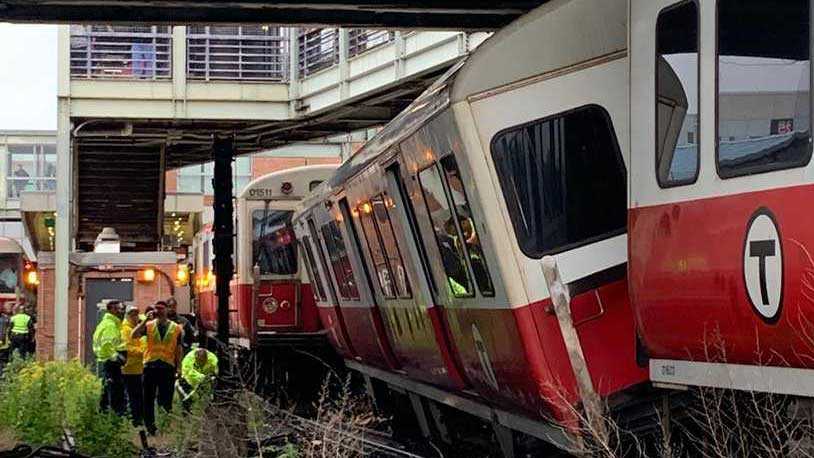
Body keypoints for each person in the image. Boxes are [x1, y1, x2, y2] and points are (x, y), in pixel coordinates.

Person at [132, 301, 184, 435]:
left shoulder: (176, 328)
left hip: (167, 367)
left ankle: (164, 426)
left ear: (166, 310)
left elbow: (179, 349)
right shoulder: (148, 325)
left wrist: (179, 368)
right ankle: (151, 427)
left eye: (161, 309)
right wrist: (144, 321)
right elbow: (134, 335)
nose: (158, 311)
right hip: (151, 366)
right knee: (148, 399)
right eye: (156, 309)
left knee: (166, 398)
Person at [92, 300, 126, 415]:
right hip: (111, 362)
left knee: (107, 390)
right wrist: (117, 357)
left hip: (105, 361)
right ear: (111, 310)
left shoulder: (106, 323)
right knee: (115, 391)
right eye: (118, 309)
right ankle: (115, 415)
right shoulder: (110, 325)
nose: (121, 312)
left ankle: (103, 413)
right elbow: (107, 344)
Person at [121, 305, 145, 426]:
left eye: (136, 314)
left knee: (137, 396)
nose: (135, 317)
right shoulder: (125, 329)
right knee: (130, 396)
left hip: (137, 369)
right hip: (128, 369)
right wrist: (142, 351)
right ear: (127, 316)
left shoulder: (136, 327)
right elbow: (128, 348)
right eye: (132, 314)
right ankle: (131, 420)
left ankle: (137, 420)